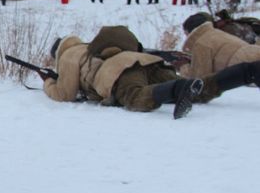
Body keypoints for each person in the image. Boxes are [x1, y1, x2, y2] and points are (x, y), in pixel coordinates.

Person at [41, 25, 260, 119]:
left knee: (137, 97)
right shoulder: (89, 46)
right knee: (200, 89)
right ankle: (246, 72)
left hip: (120, 72)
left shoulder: (69, 55)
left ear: (58, 53)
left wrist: (49, 82)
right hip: (148, 62)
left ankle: (177, 89)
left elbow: (64, 94)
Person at [180, 12, 260, 79]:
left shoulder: (200, 44)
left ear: (191, 32)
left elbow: (200, 79)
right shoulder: (217, 32)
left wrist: (183, 66)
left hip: (244, 68)